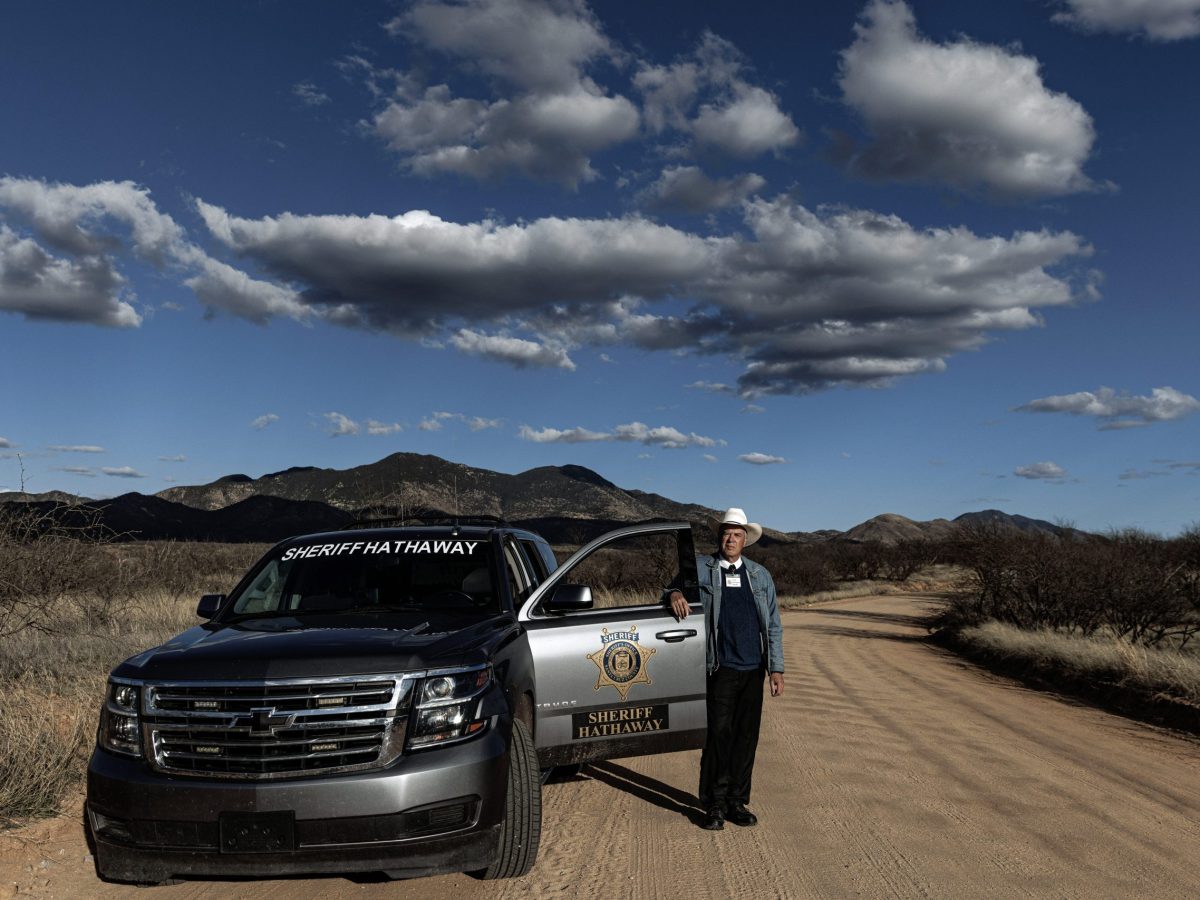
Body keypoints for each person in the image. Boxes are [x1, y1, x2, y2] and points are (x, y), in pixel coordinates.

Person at [667, 508, 784, 831]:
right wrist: (676, 593)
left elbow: (773, 624)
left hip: (753, 669)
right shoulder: (702, 569)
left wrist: (776, 669)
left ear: (745, 540)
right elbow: (670, 589)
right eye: (725, 533)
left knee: (746, 738)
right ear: (718, 537)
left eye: (736, 534)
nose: (730, 539)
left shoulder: (759, 575)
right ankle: (714, 804)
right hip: (719, 667)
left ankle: (736, 802)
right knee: (718, 737)